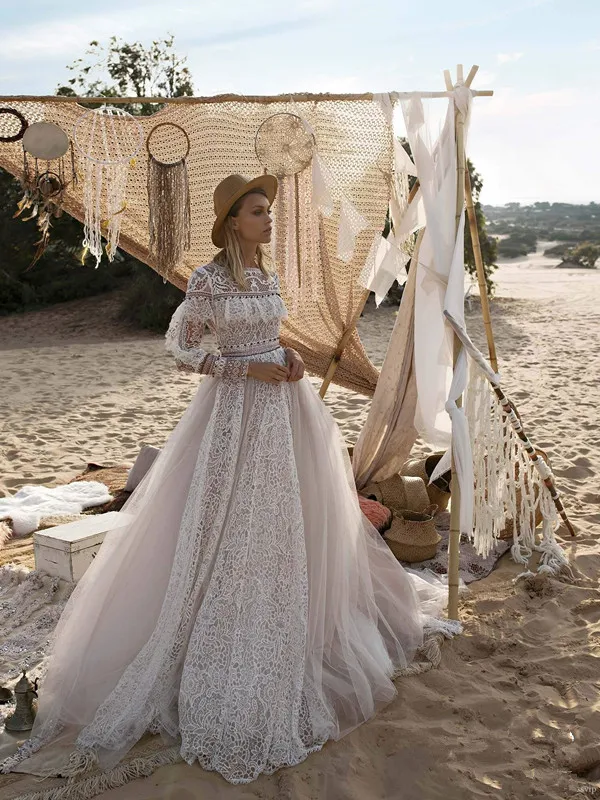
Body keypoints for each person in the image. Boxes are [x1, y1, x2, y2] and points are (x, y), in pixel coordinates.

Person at [1, 174, 457, 789]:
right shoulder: (209, 280)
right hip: (235, 412)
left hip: (284, 408)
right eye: (257, 212)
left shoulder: (266, 276)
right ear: (232, 222)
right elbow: (181, 347)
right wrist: (242, 370)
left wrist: (288, 356)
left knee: (286, 515)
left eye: (268, 210)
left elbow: (270, 334)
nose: (268, 219)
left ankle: (286, 617)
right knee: (221, 516)